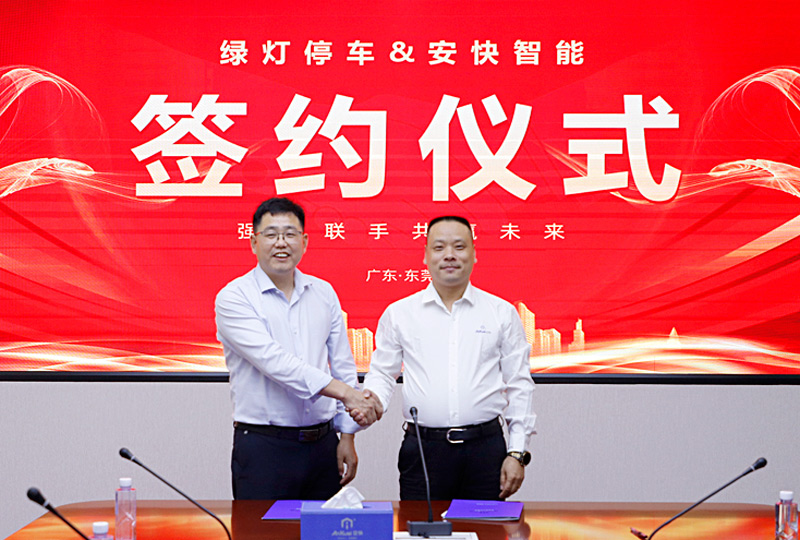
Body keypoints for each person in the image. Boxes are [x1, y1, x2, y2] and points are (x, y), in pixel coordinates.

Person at [215, 197, 382, 500]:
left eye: (290, 234)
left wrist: (347, 434)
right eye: (271, 234)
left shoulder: (323, 292)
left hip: (323, 445)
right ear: (253, 242)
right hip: (264, 447)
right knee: (262, 527)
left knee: (325, 526)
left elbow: (343, 364)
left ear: (304, 242)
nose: (281, 243)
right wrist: (348, 394)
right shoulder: (234, 297)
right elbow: (277, 364)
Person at [361, 215, 536, 500]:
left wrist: (517, 451)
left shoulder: (501, 312)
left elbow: (519, 383)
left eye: (459, 246)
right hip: (423, 451)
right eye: (439, 247)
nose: (450, 255)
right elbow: (382, 373)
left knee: (483, 526)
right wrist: (372, 402)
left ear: (474, 254)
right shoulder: (400, 313)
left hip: (485, 450)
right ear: (426, 256)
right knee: (419, 524)